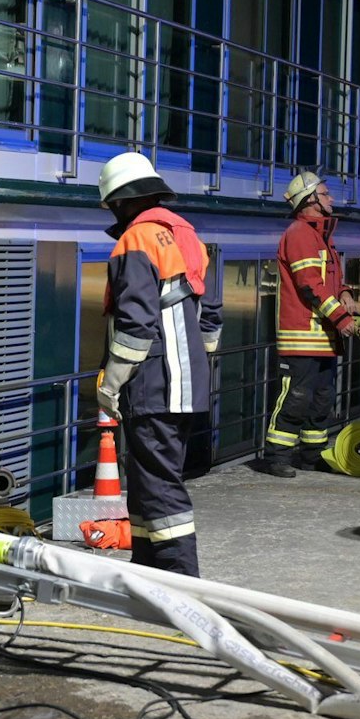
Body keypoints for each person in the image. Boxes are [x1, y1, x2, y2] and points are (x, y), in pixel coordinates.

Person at [94, 152, 223, 576]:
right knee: (150, 480)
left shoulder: (136, 240)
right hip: (186, 384)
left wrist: (111, 383)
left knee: (161, 487)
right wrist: (197, 364)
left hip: (153, 383)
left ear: (119, 200)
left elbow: (135, 323)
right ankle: (148, 568)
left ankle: (182, 580)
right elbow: (211, 315)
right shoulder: (187, 235)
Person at [264, 171, 360, 478]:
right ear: (310, 200)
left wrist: (346, 291)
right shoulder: (299, 234)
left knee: (321, 399)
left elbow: (329, 281)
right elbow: (310, 286)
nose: (331, 198)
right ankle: (277, 457)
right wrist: (342, 318)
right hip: (302, 334)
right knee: (296, 396)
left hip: (322, 335)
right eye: (326, 193)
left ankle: (313, 454)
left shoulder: (320, 236)